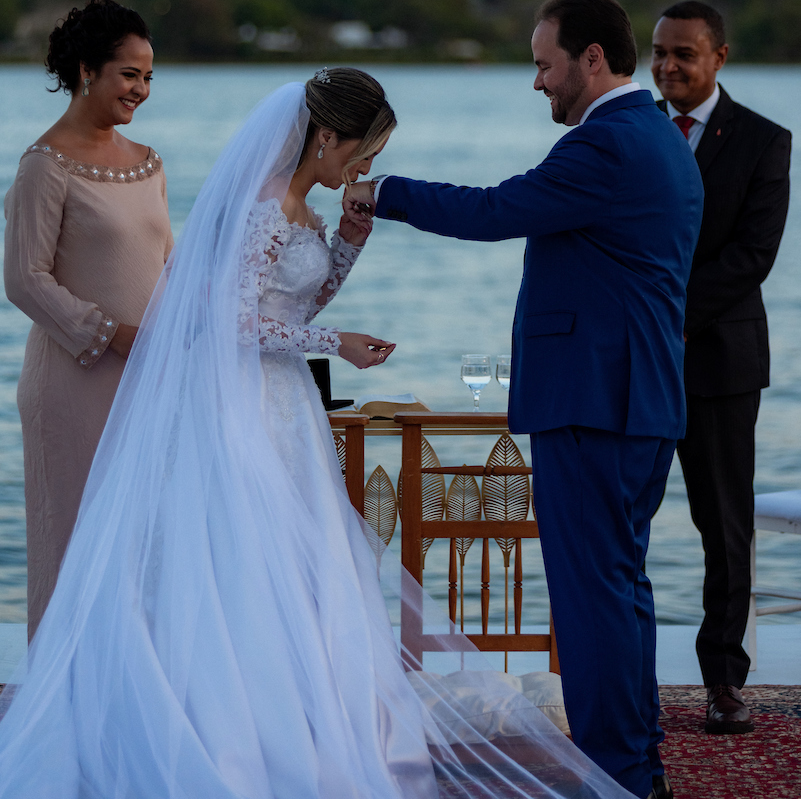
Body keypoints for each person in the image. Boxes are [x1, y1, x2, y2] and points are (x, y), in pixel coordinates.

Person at [0, 66, 628, 799]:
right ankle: (239, 733)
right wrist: (339, 343)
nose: (361, 169)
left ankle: (306, 718)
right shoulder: (265, 205)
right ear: (325, 135)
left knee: (305, 569)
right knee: (252, 561)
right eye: (358, 152)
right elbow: (236, 324)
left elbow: (297, 300)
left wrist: (351, 246)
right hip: (242, 406)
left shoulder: (300, 207)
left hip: (286, 402)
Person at [346, 0, 705, 799]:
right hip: (634, 401)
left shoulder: (605, 144)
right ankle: (636, 765)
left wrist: (388, 191)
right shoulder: (655, 136)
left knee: (591, 601)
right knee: (621, 592)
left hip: (595, 403)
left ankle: (619, 775)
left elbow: (498, 209)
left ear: (589, 59)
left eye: (544, 64)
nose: (536, 82)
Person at [3, 0, 173, 638]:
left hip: (146, 377)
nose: (141, 90)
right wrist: (112, 335)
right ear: (85, 71)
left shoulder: (149, 162)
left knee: (143, 543)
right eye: (129, 75)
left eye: (148, 76)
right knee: (74, 543)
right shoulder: (44, 166)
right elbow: (24, 279)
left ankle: (134, 705)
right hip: (75, 383)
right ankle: (66, 713)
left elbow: (166, 262)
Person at [651, 0, 791, 735]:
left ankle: (722, 683)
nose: (667, 66)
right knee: (622, 522)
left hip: (720, 361)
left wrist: (659, 318)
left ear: (718, 57)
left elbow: (751, 258)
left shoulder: (766, 142)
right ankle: (615, 673)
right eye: (658, 52)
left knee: (722, 526)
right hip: (632, 364)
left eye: (683, 53)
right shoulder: (628, 129)